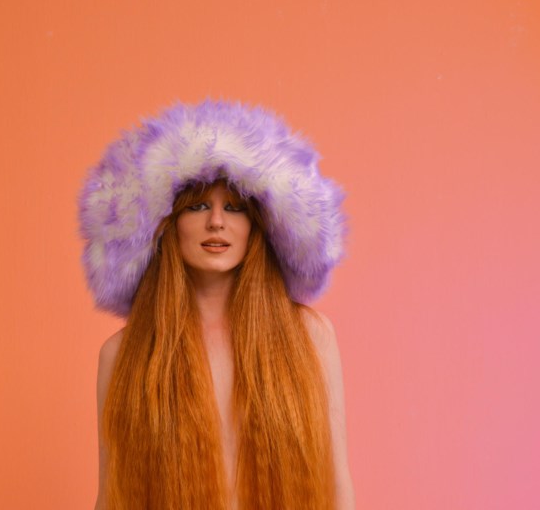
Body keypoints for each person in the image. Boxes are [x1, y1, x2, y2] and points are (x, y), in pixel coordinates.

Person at [78, 100, 355, 509]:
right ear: (167, 224)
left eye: (235, 207)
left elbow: (338, 485)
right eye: (198, 205)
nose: (217, 222)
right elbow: (111, 497)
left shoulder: (310, 336)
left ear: (257, 225)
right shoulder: (122, 355)